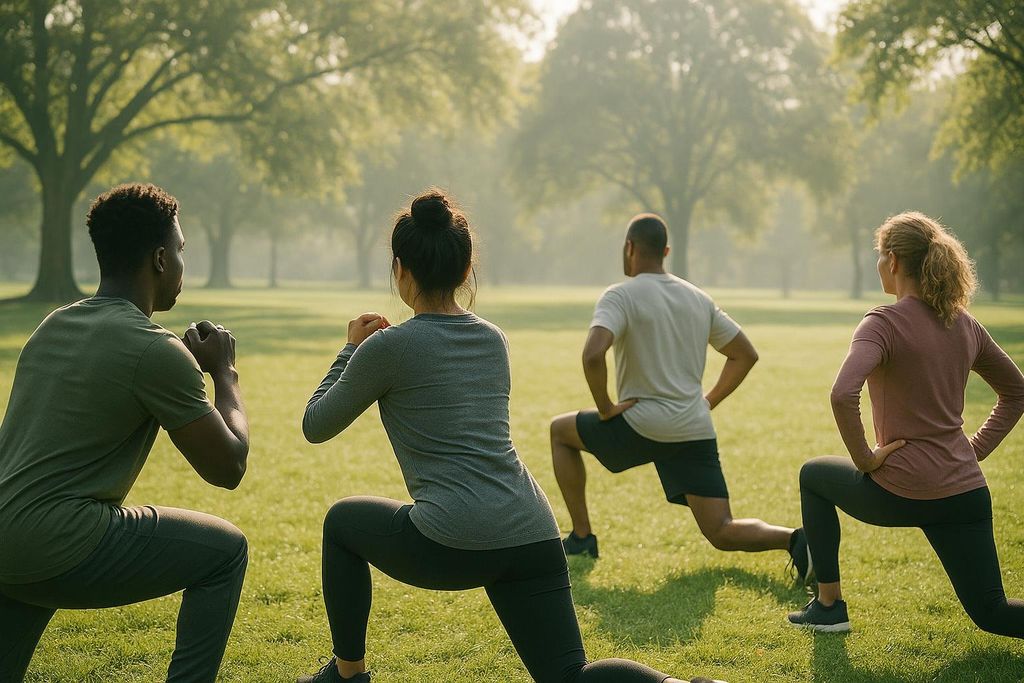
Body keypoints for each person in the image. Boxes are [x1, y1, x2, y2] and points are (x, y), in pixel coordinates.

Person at [299, 190, 721, 683]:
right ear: (464, 270)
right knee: (569, 674)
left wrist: (350, 350)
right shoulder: (492, 338)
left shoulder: (387, 348)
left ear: (400, 270)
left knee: (342, 523)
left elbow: (316, 424)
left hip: (451, 537)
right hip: (531, 530)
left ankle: (347, 675)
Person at [0, 184, 251, 682]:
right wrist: (223, 372)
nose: (182, 262)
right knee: (226, 552)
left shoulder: (54, 324)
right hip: (57, 540)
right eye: (179, 250)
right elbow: (229, 466)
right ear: (160, 259)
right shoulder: (155, 350)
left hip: (6, 533)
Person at [788, 211, 1024, 634]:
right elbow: (1017, 391)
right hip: (965, 491)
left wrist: (865, 460)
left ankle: (829, 607)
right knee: (992, 612)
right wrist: (974, 450)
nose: (879, 262)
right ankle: (826, 608)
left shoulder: (883, 322)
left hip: (900, 491)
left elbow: (843, 393)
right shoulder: (964, 323)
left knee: (812, 476)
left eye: (879, 255)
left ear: (893, 261)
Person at [548, 214, 810, 579]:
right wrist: (708, 401)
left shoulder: (620, 295)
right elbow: (745, 354)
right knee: (721, 529)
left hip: (640, 424)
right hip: (692, 427)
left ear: (629, 249)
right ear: (666, 251)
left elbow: (593, 355)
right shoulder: (698, 298)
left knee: (560, 432)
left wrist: (606, 408)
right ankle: (797, 540)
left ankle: (581, 537)